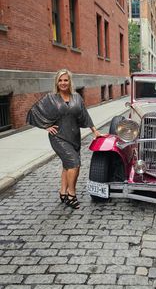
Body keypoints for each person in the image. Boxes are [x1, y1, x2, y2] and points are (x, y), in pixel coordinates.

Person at [27, 69, 101, 209]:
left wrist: (95, 131)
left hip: (74, 136)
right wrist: (46, 126)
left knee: (68, 165)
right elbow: (34, 111)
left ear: (70, 81)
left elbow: (84, 115)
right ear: (57, 82)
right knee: (74, 164)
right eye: (60, 80)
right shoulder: (51, 98)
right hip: (58, 137)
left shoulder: (77, 97)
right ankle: (71, 194)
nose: (63, 83)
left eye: (65, 80)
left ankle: (62, 192)